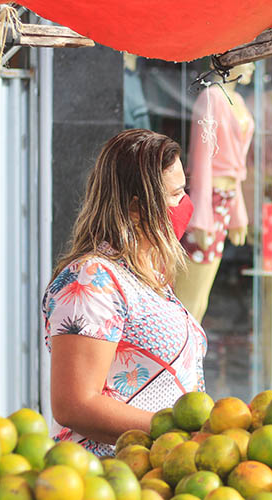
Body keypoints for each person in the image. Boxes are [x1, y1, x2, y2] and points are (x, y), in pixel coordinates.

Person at [42, 129, 207, 456]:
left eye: (183, 192)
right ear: (135, 207)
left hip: (158, 467)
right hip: (109, 474)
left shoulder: (146, 274)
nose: (184, 205)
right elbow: (74, 404)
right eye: (175, 196)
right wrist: (175, 431)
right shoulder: (91, 279)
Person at [174, 62, 255, 322]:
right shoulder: (211, 98)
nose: (252, 65)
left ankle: (189, 351)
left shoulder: (236, 100)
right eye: (246, 57)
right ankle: (181, 351)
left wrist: (237, 211)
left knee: (203, 290)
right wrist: (200, 217)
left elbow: (237, 167)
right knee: (191, 292)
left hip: (224, 199)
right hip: (208, 200)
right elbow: (201, 160)